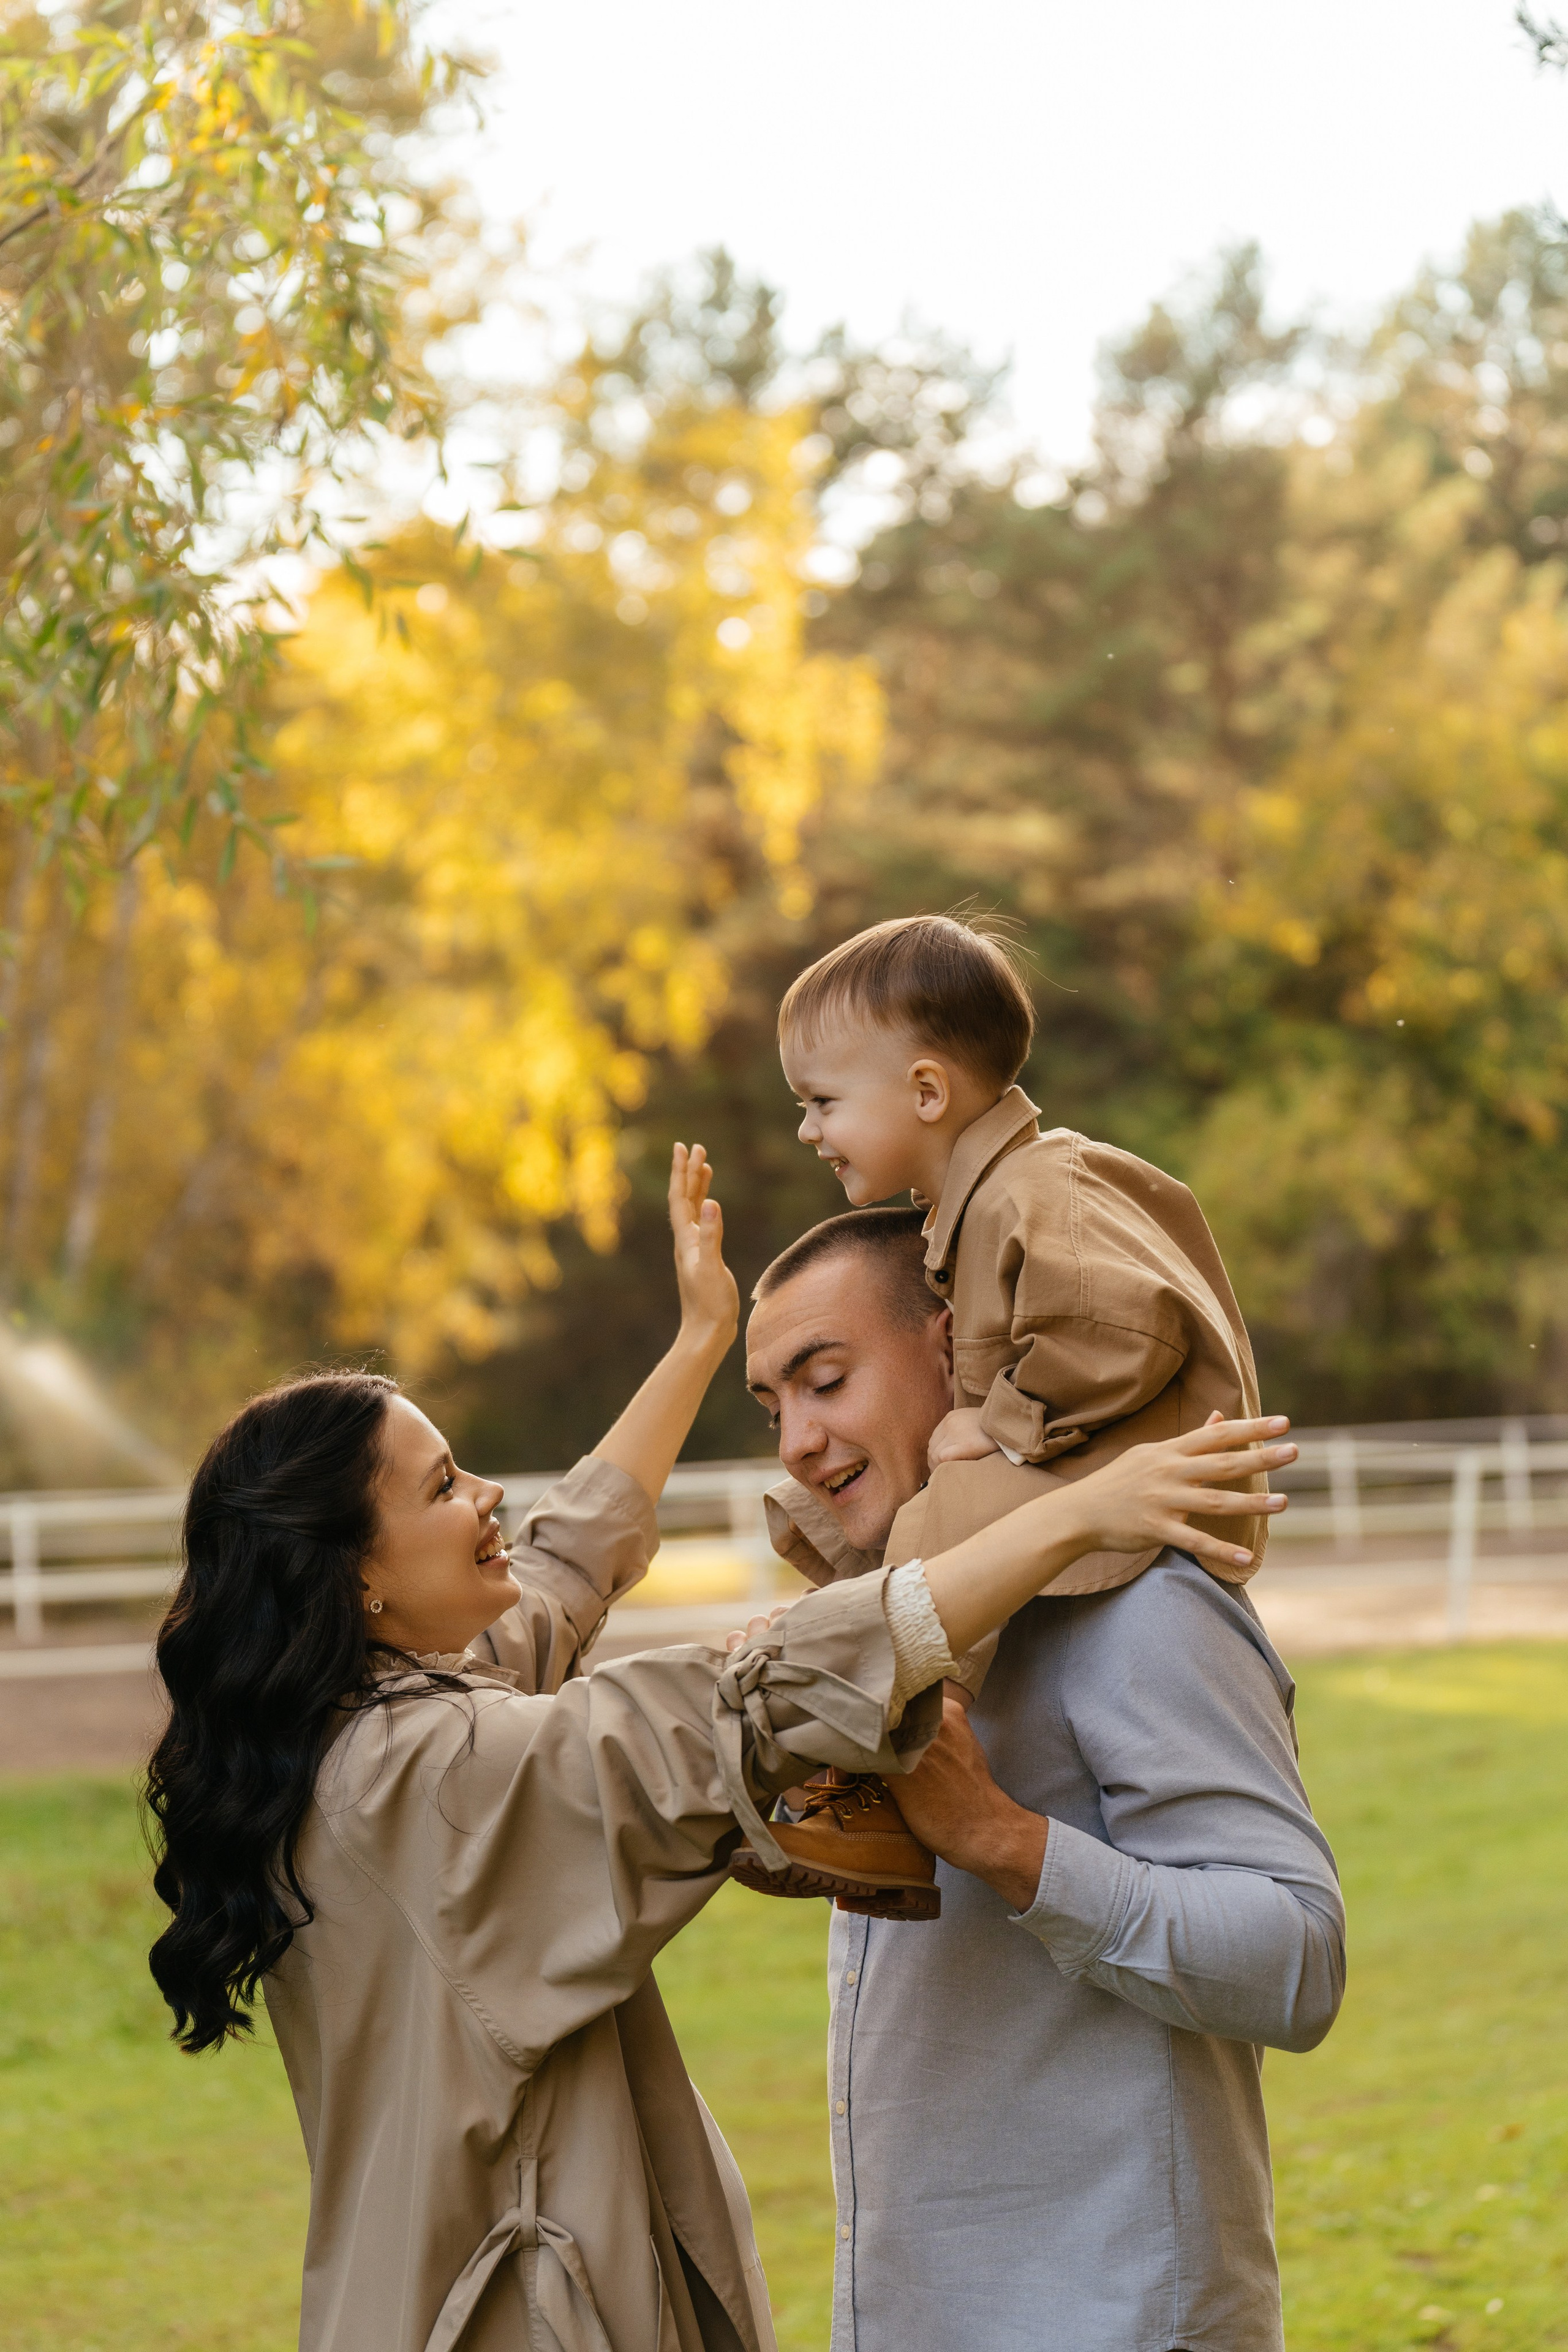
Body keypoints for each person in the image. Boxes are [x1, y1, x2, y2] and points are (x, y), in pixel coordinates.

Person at [144, 1144, 1290, 2352]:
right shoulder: (428, 1776)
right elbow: (730, 1706)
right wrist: (1078, 1515)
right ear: (359, 1576)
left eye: (825, 1381)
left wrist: (699, 1340)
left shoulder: (367, 1713)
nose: (484, 1497)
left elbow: (565, 1564)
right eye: (440, 1487)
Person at [743, 1209, 1345, 2352]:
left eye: (826, 1381)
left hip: (1115, 2317)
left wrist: (1006, 1841)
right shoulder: (887, 1636)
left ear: (957, 1346)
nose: (798, 1443)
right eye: (773, 1409)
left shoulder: (1140, 1606)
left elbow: (1299, 1959)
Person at [739, 911, 1268, 1912]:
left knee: (934, 1536)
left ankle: (870, 1757)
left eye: (821, 1101)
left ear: (927, 1091)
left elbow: (1126, 1330)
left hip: (1102, 1472)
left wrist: (1004, 1420)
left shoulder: (1042, 1186)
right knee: (911, 1546)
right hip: (1067, 1478)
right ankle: (842, 1733)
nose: (807, 1130)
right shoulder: (977, 1205)